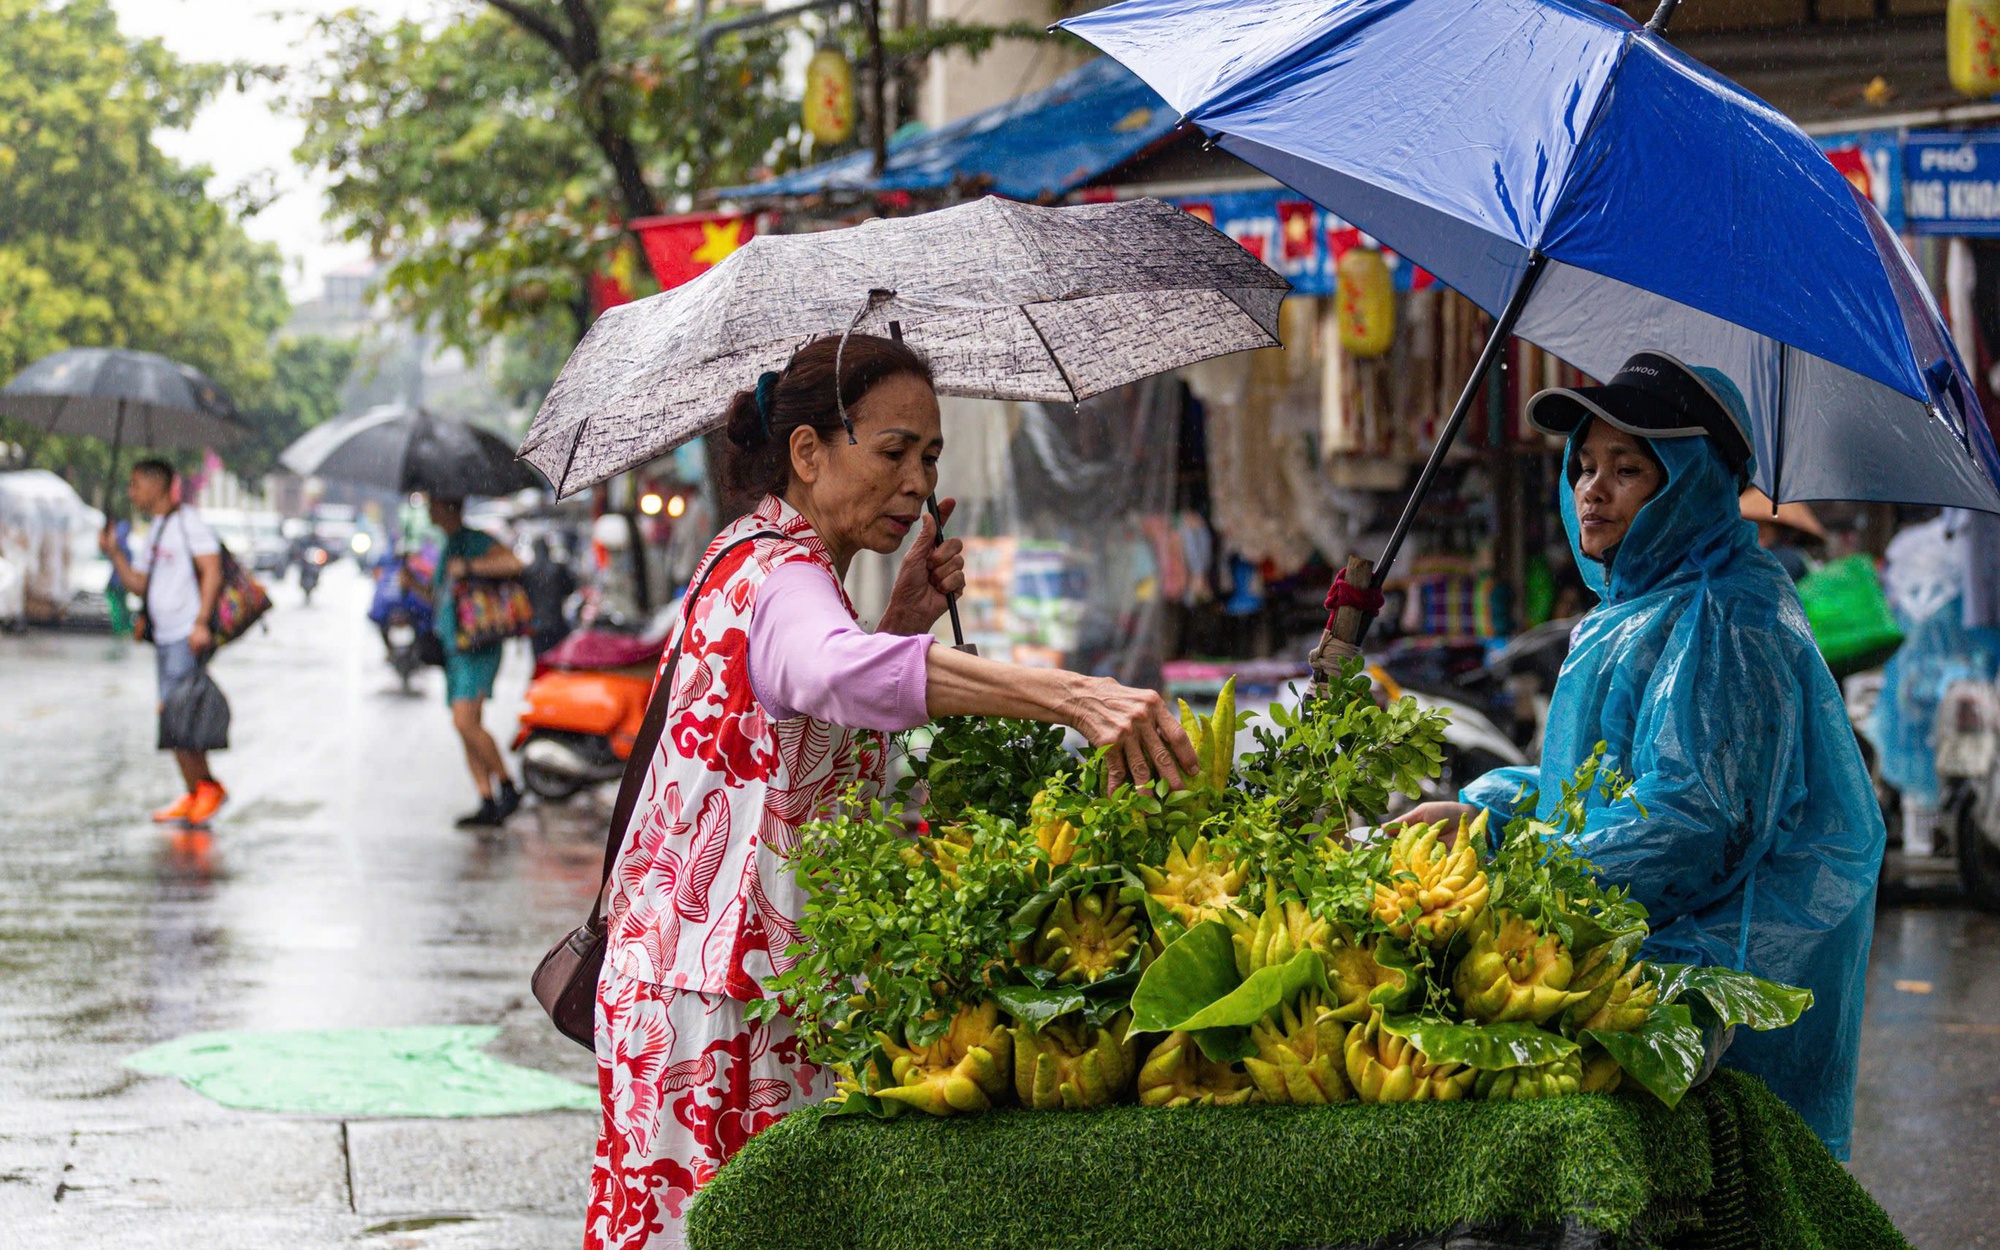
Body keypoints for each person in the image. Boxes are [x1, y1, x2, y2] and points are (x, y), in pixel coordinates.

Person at [586, 334, 1199, 1250]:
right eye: (892, 452)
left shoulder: (751, 559)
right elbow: (831, 671)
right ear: (807, 453)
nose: (917, 482)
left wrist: (902, 618)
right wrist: (1072, 695)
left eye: (931, 456)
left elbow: (800, 723)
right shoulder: (784, 575)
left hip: (695, 987)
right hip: (723, 1007)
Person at [1392, 352, 1884, 1161]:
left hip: (1713, 974)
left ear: (1691, 483)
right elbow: (1592, 783)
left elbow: (1690, 824)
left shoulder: (1728, 616)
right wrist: (1490, 807)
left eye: (1628, 469)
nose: (1593, 488)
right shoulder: (1633, 610)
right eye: (1584, 465)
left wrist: (1504, 850)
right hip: (1627, 951)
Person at [98, 459, 228, 825]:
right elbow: (140, 584)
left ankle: (208, 788)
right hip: (165, 636)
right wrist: (115, 553)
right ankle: (195, 791)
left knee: (182, 715)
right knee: (171, 715)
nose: (131, 492)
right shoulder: (155, 530)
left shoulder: (189, 523)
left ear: (159, 485)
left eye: (136, 483)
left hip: (187, 634)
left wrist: (201, 622)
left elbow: (212, 571)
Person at [429, 496, 525, 827]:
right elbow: (441, 596)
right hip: (455, 648)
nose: (430, 507)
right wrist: (411, 582)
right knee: (467, 728)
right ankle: (486, 799)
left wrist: (470, 567)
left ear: (448, 505)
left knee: (465, 722)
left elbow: (514, 564)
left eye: (434, 500)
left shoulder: (474, 540)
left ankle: (508, 786)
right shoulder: (448, 545)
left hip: (477, 647)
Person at [519, 535, 577, 658]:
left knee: (541, 661)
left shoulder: (527, 572)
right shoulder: (558, 568)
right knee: (560, 659)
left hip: (537, 625)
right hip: (557, 622)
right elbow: (570, 589)